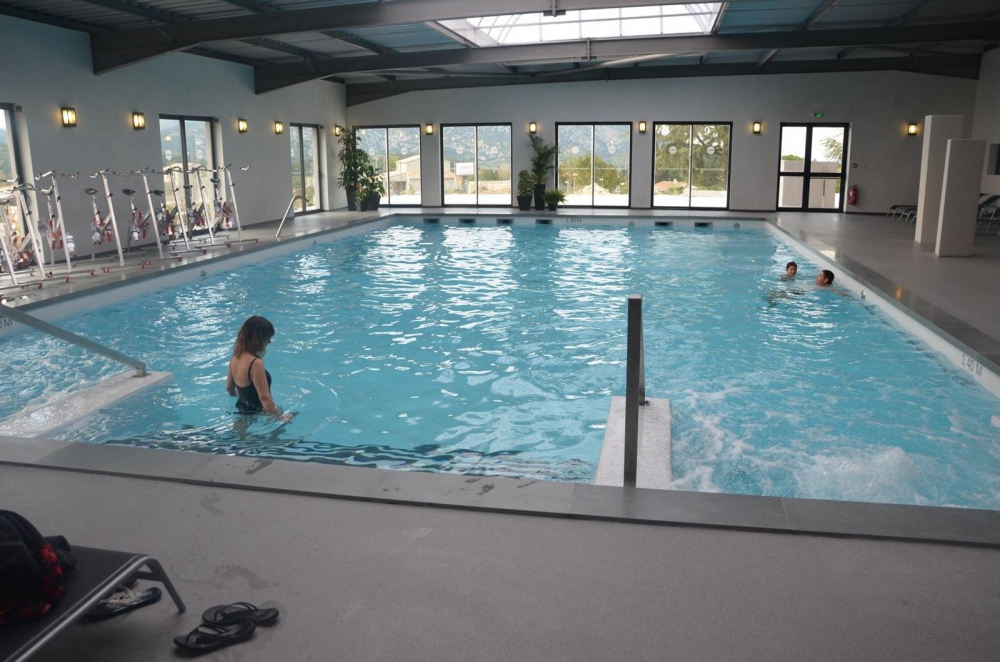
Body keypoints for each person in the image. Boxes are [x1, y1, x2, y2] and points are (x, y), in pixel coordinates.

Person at [225, 315, 292, 422]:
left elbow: (229, 389)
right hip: (259, 411)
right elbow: (264, 398)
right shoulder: (256, 363)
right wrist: (280, 416)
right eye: (267, 337)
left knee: (239, 432)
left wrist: (245, 398)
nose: (269, 341)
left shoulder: (236, 356)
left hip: (241, 406)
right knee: (292, 416)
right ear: (258, 339)